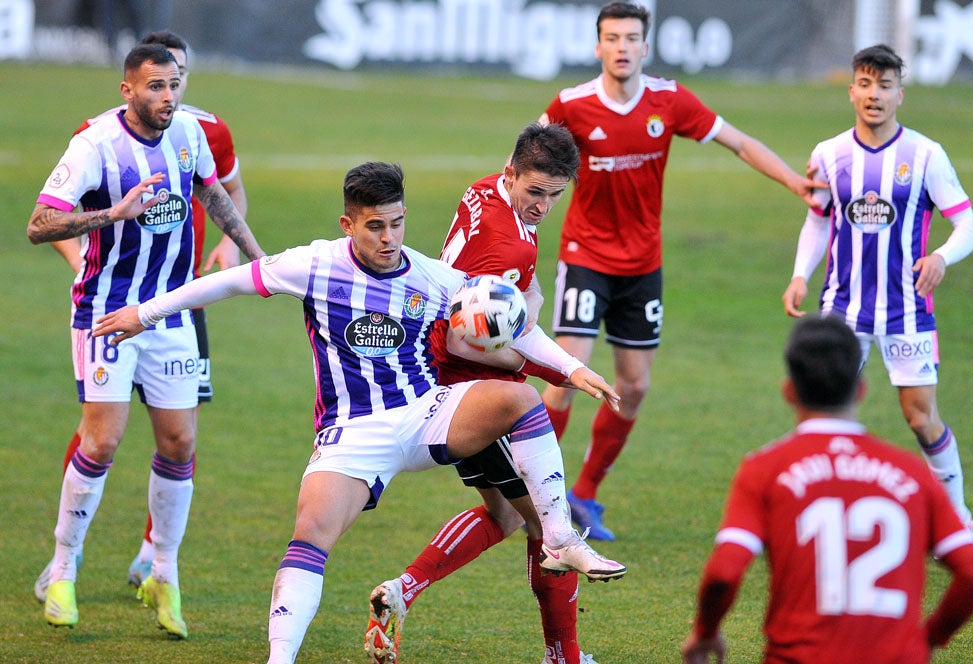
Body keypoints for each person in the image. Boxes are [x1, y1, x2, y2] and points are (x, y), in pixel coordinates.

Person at [91, 161, 627, 663]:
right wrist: (145, 313)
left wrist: (571, 370)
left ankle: (558, 538)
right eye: (375, 227)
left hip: (426, 413)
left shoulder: (430, 276)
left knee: (520, 398)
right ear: (348, 223)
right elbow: (228, 282)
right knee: (310, 534)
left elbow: (513, 323)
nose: (389, 239)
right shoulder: (312, 264)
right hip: (352, 432)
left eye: (396, 224)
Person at [538, 1, 825, 541]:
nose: (622, 47)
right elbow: (525, 158)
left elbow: (737, 141)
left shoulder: (668, 100)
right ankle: (542, 500)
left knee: (635, 385)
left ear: (646, 47)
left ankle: (585, 496)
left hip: (643, 264)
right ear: (597, 46)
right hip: (585, 257)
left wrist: (793, 182)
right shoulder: (571, 105)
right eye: (612, 38)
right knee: (566, 378)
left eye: (631, 38)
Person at [27, 43, 264, 638]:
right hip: (106, 311)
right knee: (102, 441)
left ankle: (164, 571)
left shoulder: (190, 132)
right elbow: (39, 223)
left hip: (170, 308)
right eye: (155, 86)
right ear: (127, 89)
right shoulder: (95, 145)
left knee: (180, 443)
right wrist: (114, 213)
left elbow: (212, 194)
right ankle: (62, 568)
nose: (168, 96)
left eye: (175, 84)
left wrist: (261, 260)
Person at [364, 124, 601, 664]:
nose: (543, 206)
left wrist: (526, 304)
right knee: (549, 526)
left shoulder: (488, 189)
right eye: (536, 192)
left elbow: (497, 299)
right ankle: (564, 656)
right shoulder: (507, 244)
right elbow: (465, 336)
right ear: (513, 172)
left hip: (446, 377)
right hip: (474, 391)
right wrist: (528, 349)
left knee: (505, 514)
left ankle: (403, 590)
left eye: (555, 195)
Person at [680, 315, 973, 664]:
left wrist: (705, 632)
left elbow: (724, 573)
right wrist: (930, 638)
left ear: (789, 391)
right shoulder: (912, 473)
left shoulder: (765, 470)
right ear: (861, 389)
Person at [781, 44, 973, 526]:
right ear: (852, 91)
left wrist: (940, 256)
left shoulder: (926, 154)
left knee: (920, 417)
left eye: (885, 86)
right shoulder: (829, 154)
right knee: (826, 412)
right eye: (866, 84)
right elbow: (818, 221)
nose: (875, 94)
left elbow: (969, 226)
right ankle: (825, 510)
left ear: (900, 95)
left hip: (907, 310)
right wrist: (798, 276)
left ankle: (955, 515)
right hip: (842, 310)